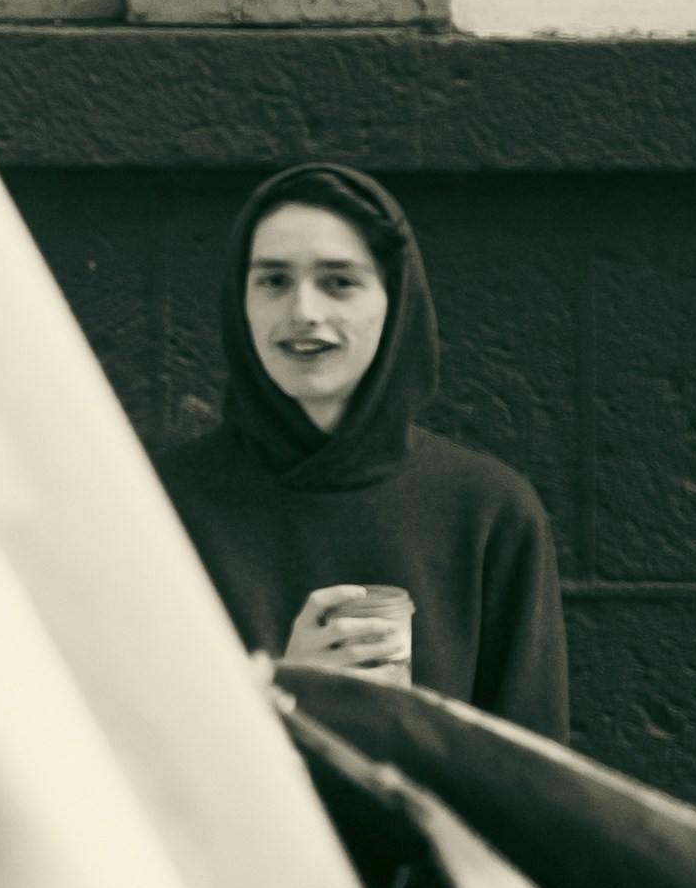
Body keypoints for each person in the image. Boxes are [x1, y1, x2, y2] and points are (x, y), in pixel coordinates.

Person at [148, 158, 565, 737]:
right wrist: (287, 692)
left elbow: (533, 784)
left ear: (394, 303)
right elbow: (126, 761)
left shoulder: (488, 513)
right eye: (273, 280)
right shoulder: (155, 506)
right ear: (239, 301)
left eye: (340, 281)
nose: (303, 313)